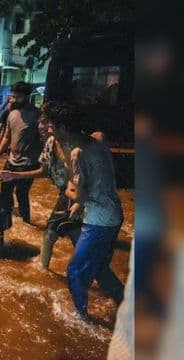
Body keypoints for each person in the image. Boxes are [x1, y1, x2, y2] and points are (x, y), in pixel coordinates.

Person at [0, 102, 124, 293]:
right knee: (50, 233)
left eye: (46, 123)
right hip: (69, 196)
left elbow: (95, 178)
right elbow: (45, 171)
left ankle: (109, 295)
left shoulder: (84, 145)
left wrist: (79, 202)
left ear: (61, 127)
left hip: (90, 204)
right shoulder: (51, 144)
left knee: (89, 254)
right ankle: (43, 273)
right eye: (41, 123)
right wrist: (15, 175)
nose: (41, 127)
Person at [46, 102, 125, 318]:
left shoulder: (77, 154)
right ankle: (125, 302)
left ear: (62, 127)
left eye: (51, 125)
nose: (47, 129)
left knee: (75, 272)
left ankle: (81, 318)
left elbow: (78, 194)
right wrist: (80, 203)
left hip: (98, 221)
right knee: (99, 267)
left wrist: (67, 189)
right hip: (114, 214)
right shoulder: (99, 138)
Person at [0, 82, 41, 224]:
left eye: (18, 97)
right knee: (5, 192)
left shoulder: (37, 115)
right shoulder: (12, 114)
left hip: (28, 163)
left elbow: (44, 138)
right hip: (11, 160)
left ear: (27, 96)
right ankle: (7, 223)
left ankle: (26, 222)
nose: (14, 100)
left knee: (21, 194)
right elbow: (7, 137)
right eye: (13, 96)